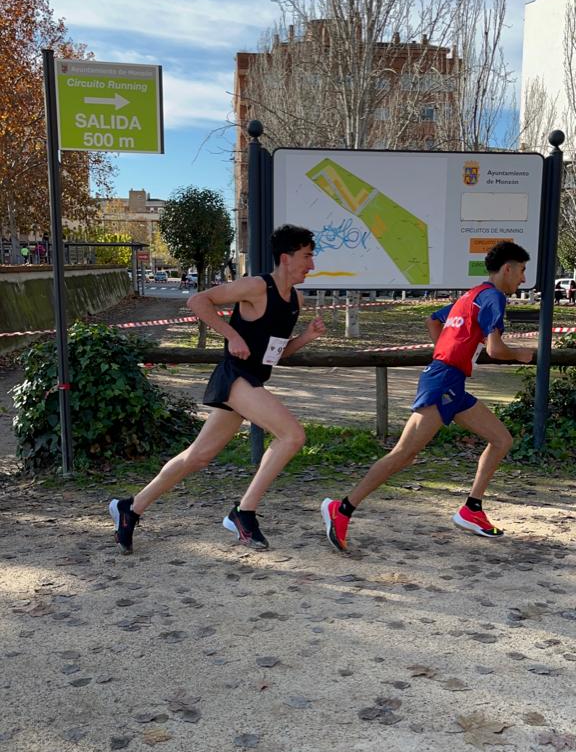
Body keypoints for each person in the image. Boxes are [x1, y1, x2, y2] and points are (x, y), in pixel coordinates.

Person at [109, 224, 325, 554]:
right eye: (307, 256)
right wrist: (232, 335)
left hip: (253, 379)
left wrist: (307, 337)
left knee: (198, 457)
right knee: (292, 435)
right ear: (286, 257)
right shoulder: (256, 286)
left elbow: (275, 353)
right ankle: (244, 512)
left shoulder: (295, 299)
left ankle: (131, 509)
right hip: (235, 376)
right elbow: (198, 301)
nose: (311, 264)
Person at [321, 241, 534, 550]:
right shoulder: (494, 298)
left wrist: (447, 355)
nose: (523, 279)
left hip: (451, 383)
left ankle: (471, 509)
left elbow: (433, 320)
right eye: (522, 271)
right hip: (443, 382)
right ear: (507, 269)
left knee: (501, 440)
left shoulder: (472, 295)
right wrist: (520, 354)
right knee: (404, 454)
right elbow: (495, 349)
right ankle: (340, 510)